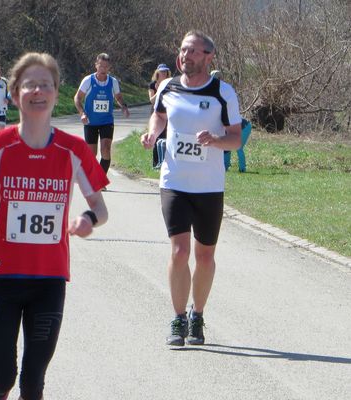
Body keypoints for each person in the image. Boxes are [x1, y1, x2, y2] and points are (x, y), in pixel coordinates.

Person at [0, 52, 109, 400]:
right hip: (1, 277)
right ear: (14, 92)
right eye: (30, 84)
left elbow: (100, 207)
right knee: (2, 378)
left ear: (55, 92)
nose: (39, 91)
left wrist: (87, 219)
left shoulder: (74, 150)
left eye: (46, 85)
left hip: (49, 280)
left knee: (33, 382)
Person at [141, 30, 242, 347]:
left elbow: (237, 137)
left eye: (194, 51)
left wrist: (216, 141)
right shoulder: (166, 88)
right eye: (183, 50)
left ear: (209, 56)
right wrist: (152, 134)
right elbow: (158, 117)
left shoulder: (222, 92)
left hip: (209, 186)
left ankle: (198, 315)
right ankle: (178, 317)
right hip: (175, 182)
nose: (186, 56)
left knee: (205, 255)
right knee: (179, 251)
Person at [73, 53, 130, 177]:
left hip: (107, 121)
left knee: (106, 149)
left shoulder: (113, 82)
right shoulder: (88, 80)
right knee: (91, 154)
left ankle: (100, 179)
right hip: (90, 122)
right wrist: (82, 113)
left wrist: (124, 107)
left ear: (109, 67)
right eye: (101, 66)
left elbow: (118, 97)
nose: (103, 69)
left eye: (106, 66)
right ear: (96, 66)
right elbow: (77, 98)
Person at [148, 63, 172, 168]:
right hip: (156, 113)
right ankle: (156, 163)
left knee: (166, 137)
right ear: (157, 73)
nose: (164, 73)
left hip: (167, 113)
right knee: (156, 136)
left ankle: (165, 162)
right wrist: (160, 90)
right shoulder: (153, 85)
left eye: (165, 71)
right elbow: (152, 100)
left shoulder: (171, 84)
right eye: (162, 71)